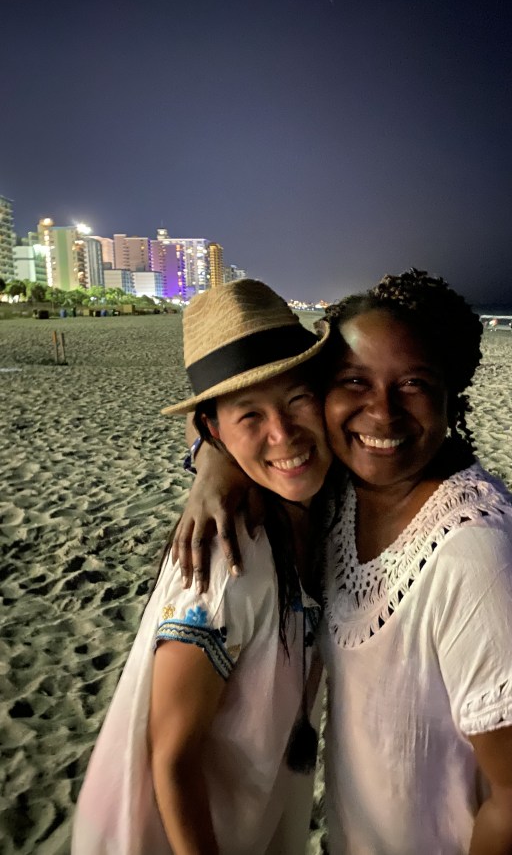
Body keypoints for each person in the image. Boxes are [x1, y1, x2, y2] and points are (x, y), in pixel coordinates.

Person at [177, 270, 512, 853]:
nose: (381, 412)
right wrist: (212, 463)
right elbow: (222, 411)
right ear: (322, 393)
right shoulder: (342, 492)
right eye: (354, 380)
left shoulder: (481, 554)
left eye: (413, 384)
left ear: (451, 396)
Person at [72, 279, 333, 855]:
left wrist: (213, 460)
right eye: (251, 416)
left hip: (253, 813)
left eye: (298, 399)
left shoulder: (324, 509)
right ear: (216, 431)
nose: (283, 433)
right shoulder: (226, 557)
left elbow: (213, 418)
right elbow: (172, 758)